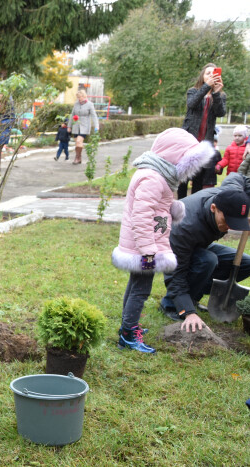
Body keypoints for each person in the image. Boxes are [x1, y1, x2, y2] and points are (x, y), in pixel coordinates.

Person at [111, 128, 214, 353]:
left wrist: (173, 209)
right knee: (141, 288)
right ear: (174, 157)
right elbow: (141, 215)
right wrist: (149, 252)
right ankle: (128, 335)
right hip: (145, 249)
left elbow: (154, 207)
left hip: (143, 246)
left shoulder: (157, 175)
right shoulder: (153, 178)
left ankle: (128, 325)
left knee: (136, 284)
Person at [160, 173, 250, 332]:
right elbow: (175, 273)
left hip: (198, 243)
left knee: (246, 263)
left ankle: (193, 293)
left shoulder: (230, 193)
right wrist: (187, 312)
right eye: (227, 222)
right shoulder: (185, 227)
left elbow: (238, 177)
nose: (230, 227)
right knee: (208, 260)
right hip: (170, 247)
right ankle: (173, 305)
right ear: (214, 208)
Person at [179, 63, 226, 199]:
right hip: (189, 141)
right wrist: (206, 87)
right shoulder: (193, 91)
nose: (211, 76)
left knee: (199, 178)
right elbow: (192, 104)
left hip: (204, 142)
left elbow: (220, 113)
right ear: (202, 76)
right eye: (208, 73)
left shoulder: (220, 95)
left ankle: (194, 206)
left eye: (214, 73)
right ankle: (181, 204)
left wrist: (216, 93)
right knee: (184, 177)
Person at [67, 90, 99, 165]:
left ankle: (77, 158)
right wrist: (69, 126)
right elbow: (72, 115)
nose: (79, 99)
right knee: (77, 143)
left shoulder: (90, 104)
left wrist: (96, 125)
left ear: (84, 96)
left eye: (80, 97)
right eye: (77, 97)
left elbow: (94, 116)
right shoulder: (76, 104)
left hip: (85, 126)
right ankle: (79, 157)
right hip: (76, 125)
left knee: (79, 141)